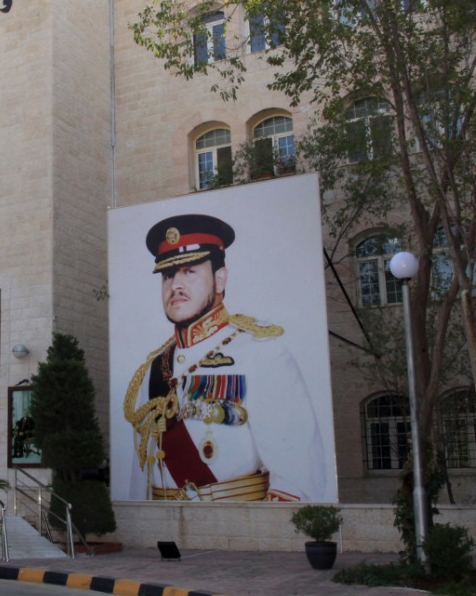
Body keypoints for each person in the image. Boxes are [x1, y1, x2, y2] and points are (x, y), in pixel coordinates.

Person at [122, 213, 331, 502]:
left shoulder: (260, 353)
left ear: (220, 280)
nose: (175, 285)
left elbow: (298, 477)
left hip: (236, 524)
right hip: (162, 524)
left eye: (189, 271)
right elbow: (142, 478)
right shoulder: (152, 370)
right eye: (168, 275)